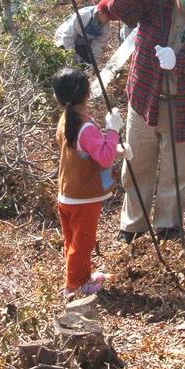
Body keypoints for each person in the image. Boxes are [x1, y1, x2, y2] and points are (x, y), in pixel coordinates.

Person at [101, 0, 185, 243]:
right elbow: (116, 8)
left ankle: (168, 226)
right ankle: (133, 225)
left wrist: (180, 61)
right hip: (144, 97)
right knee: (137, 164)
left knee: (178, 170)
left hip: (184, 104)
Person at [52, 67, 127, 298]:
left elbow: (85, 151)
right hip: (84, 197)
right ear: (87, 94)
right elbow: (103, 157)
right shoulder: (84, 126)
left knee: (73, 241)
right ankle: (75, 286)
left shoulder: (66, 119)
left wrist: (114, 147)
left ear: (58, 97)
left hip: (67, 191)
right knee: (82, 243)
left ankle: (80, 276)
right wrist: (113, 130)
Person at [54, 0, 113, 67]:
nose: (109, 21)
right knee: (71, 63)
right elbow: (67, 37)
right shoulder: (83, 16)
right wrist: (77, 59)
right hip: (64, 39)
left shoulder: (105, 25)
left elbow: (98, 43)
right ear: (100, 12)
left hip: (82, 41)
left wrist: (94, 60)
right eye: (108, 18)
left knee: (88, 62)